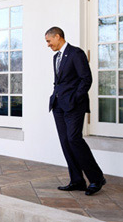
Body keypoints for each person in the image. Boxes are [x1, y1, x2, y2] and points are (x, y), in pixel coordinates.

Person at [45, 27, 106, 196]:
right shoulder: (55, 57)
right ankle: (77, 180)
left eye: (49, 41)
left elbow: (86, 79)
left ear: (58, 37)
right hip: (58, 105)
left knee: (74, 139)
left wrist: (75, 99)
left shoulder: (76, 53)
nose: (48, 45)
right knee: (65, 142)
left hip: (74, 106)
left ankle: (96, 178)